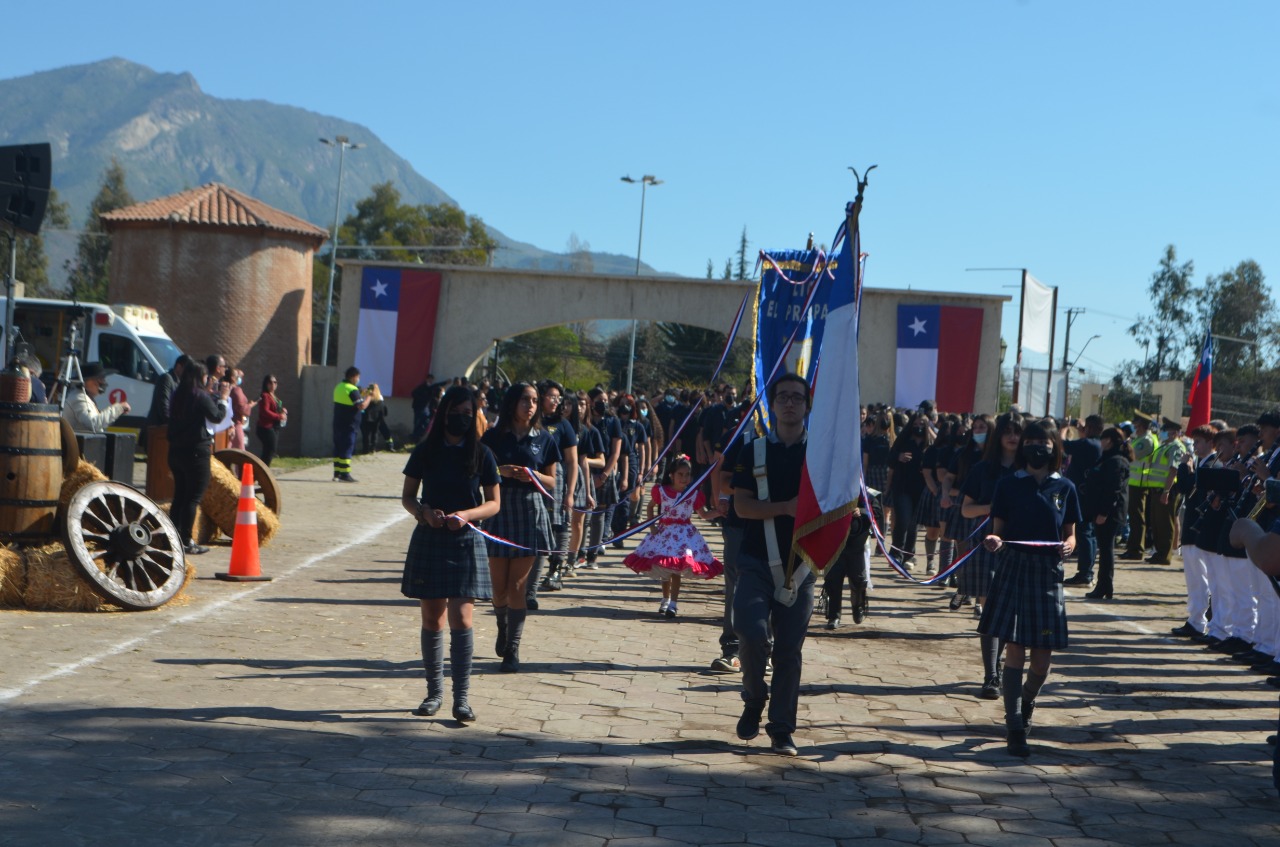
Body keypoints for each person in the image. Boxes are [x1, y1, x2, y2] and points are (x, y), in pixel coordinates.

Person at [978, 419, 1080, 758]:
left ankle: (1027, 699)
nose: (1038, 447)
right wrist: (994, 540)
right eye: (1032, 441)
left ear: (1055, 447)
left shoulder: (1065, 487)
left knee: (1042, 660)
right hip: (1014, 569)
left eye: (1045, 442)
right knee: (1016, 650)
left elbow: (1071, 532)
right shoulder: (1008, 485)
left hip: (1048, 573)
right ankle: (1014, 726)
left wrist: (1069, 544)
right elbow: (998, 530)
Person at [400, 385, 500, 723]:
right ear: (444, 412)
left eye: (468, 413)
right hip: (431, 536)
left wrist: (468, 515)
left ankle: (462, 698)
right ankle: (434, 693)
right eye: (457, 411)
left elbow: (494, 503)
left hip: (466, 540)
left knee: (462, 618)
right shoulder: (426, 450)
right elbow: (408, 496)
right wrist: (424, 513)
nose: (462, 418)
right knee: (432, 619)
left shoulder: (482, 453)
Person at [730, 373, 812, 757]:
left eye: (798, 397)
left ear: (808, 405)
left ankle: (781, 728)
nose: (790, 403)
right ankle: (754, 696)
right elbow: (742, 506)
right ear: (773, 404)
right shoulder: (754, 449)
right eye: (783, 397)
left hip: (802, 567)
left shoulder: (820, 454)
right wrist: (784, 508)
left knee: (789, 652)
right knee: (750, 631)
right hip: (756, 560)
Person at [481, 383, 561, 672]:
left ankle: (513, 648)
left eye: (535, 401)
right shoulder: (492, 437)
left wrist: (535, 476)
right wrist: (498, 471)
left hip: (530, 511)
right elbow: (476, 473)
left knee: (517, 586)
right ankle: (502, 624)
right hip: (499, 509)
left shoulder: (544, 439)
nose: (531, 405)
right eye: (525, 400)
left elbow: (553, 482)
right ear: (512, 402)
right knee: (498, 587)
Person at [959, 411, 1024, 699]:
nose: (1012, 436)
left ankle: (1004, 668)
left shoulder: (1030, 469)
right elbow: (965, 509)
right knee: (991, 609)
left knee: (1012, 615)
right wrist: (992, 508)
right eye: (1008, 431)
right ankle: (991, 676)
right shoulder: (982, 469)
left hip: (1021, 547)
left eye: (1018, 432)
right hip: (988, 545)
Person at [624, 455, 723, 617]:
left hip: (684, 537)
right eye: (680, 474)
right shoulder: (662, 492)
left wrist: (718, 512)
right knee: (665, 568)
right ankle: (665, 599)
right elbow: (650, 507)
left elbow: (703, 515)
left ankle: (673, 604)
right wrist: (652, 526)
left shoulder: (693, 494)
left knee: (676, 569)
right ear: (672, 475)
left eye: (687, 475)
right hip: (664, 534)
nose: (684, 478)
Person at [167, 362, 230, 555]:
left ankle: (172, 537)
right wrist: (223, 399)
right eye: (205, 377)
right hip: (196, 451)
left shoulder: (177, 395)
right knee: (193, 498)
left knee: (180, 496)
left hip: (176, 451)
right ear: (199, 377)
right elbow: (217, 416)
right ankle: (187, 540)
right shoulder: (199, 395)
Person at [530, 381, 578, 601]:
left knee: (559, 525)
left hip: (557, 479)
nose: (556, 401)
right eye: (552, 396)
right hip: (532, 477)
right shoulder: (532, 421)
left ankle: (556, 568)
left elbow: (572, 461)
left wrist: (569, 493)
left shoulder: (563, 425)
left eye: (558, 398)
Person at [1078, 426, 1132, 600]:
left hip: (1109, 513)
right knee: (1105, 548)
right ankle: (1104, 586)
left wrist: (1104, 512)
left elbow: (1113, 490)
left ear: (1108, 440)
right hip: (1101, 510)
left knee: (1107, 550)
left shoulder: (1117, 461)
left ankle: (1104, 586)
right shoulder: (1107, 458)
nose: (1100, 442)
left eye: (1103, 439)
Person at [886, 413, 932, 570]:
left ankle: (909, 555)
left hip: (920, 487)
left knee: (914, 523)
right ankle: (896, 552)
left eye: (922, 425)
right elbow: (890, 457)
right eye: (916, 424)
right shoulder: (904, 439)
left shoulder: (928, 443)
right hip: (902, 485)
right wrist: (898, 456)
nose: (918, 427)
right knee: (903, 519)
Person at [1062, 415, 1104, 586]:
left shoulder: (1087, 443)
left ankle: (1085, 573)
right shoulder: (1096, 444)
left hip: (1082, 494)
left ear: (1090, 428)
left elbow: (1063, 444)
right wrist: (1081, 431)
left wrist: (1064, 427)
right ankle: (1088, 572)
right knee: (1090, 533)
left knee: (1084, 532)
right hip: (1090, 493)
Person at [1144, 417, 1188, 564]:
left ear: (1174, 432)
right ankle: (1159, 553)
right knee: (1157, 522)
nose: (1163, 432)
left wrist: (1166, 491)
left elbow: (1173, 470)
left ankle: (1165, 555)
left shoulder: (1176, 447)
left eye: (1166, 430)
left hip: (1167, 490)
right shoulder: (1164, 446)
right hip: (1156, 489)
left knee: (1165, 523)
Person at [1120, 411, 1160, 560]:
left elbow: (1132, 456)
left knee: (1137, 518)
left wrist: (1126, 445)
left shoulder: (1147, 440)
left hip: (1140, 483)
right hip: (1134, 481)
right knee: (1134, 517)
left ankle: (1136, 549)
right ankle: (1133, 547)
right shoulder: (1140, 438)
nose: (1134, 426)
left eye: (1136, 423)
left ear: (1142, 425)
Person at [63, 362, 130, 433]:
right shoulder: (79, 398)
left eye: (103, 379)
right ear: (86, 382)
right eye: (99, 379)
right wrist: (119, 408)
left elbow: (100, 424)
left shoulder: (85, 397)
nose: (103, 382)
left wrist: (118, 412)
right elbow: (93, 424)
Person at [332, 366, 369, 482]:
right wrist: (369, 397)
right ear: (353, 377)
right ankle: (345, 474)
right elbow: (361, 405)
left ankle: (337, 473)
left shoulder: (339, 386)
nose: (358, 379)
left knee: (338, 448)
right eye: (358, 377)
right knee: (347, 447)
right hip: (349, 424)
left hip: (338, 423)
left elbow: (349, 399)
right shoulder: (351, 389)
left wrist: (361, 392)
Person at [146, 355, 189, 426]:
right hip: (157, 430)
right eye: (187, 371)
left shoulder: (180, 382)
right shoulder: (166, 379)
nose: (188, 374)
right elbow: (164, 409)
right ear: (178, 367)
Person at [255, 374, 286, 466]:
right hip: (265, 427)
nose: (273, 384)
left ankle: (262, 471)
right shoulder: (265, 396)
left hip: (274, 426)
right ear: (266, 384)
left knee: (270, 450)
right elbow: (265, 411)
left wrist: (282, 411)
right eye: (270, 382)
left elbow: (276, 408)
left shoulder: (274, 396)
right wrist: (278, 416)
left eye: (275, 382)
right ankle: (262, 470)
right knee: (270, 450)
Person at [360, 383, 396, 454]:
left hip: (367, 419)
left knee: (366, 435)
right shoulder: (380, 398)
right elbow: (384, 410)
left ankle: (366, 450)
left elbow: (363, 407)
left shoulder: (367, 397)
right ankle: (374, 448)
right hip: (377, 420)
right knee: (374, 433)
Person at [227, 367, 256, 450]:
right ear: (232, 377)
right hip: (236, 423)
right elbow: (241, 408)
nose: (239, 379)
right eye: (238, 376)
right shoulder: (236, 390)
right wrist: (249, 406)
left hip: (227, 424)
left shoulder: (224, 388)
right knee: (239, 452)